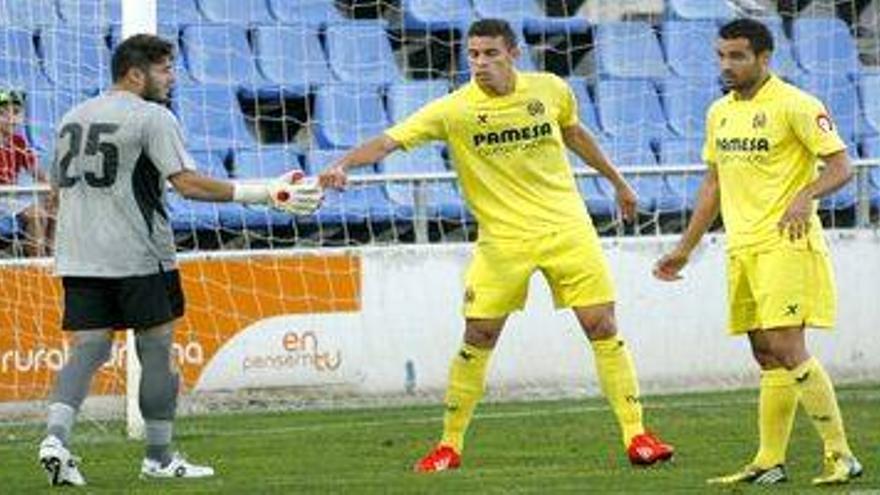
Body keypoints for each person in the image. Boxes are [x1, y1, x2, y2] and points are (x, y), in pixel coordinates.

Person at [320, 18, 674, 472]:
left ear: (513, 54)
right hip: (503, 241)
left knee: (601, 324)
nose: (480, 63)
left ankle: (637, 435)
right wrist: (343, 163)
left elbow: (575, 134)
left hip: (567, 228)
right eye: (473, 55)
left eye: (490, 54)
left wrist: (618, 182)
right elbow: (389, 142)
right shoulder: (453, 109)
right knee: (479, 334)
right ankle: (448, 445)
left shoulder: (549, 90)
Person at [38, 34, 322, 486]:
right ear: (137, 73)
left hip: (79, 257)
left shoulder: (73, 116)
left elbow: (56, 192)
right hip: (140, 256)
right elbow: (187, 184)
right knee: (156, 353)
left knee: (88, 350)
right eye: (166, 69)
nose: (173, 78)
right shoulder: (153, 117)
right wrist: (265, 192)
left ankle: (55, 438)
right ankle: (159, 456)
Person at [654, 18, 862, 486]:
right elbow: (713, 184)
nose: (726, 65)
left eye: (737, 56)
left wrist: (805, 195)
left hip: (786, 246)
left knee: (788, 347)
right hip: (742, 246)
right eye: (721, 56)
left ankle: (841, 453)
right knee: (766, 355)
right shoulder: (719, 112)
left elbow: (841, 167)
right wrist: (684, 249)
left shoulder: (797, 104)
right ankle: (770, 461)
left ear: (764, 58)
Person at [0, 89, 53, 257]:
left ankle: (52, 263)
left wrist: (52, 192)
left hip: (9, 199)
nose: (11, 119)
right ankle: (38, 267)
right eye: (3, 114)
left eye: (15, 113)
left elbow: (38, 173)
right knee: (36, 215)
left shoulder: (18, 141)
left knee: (54, 212)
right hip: (3, 198)